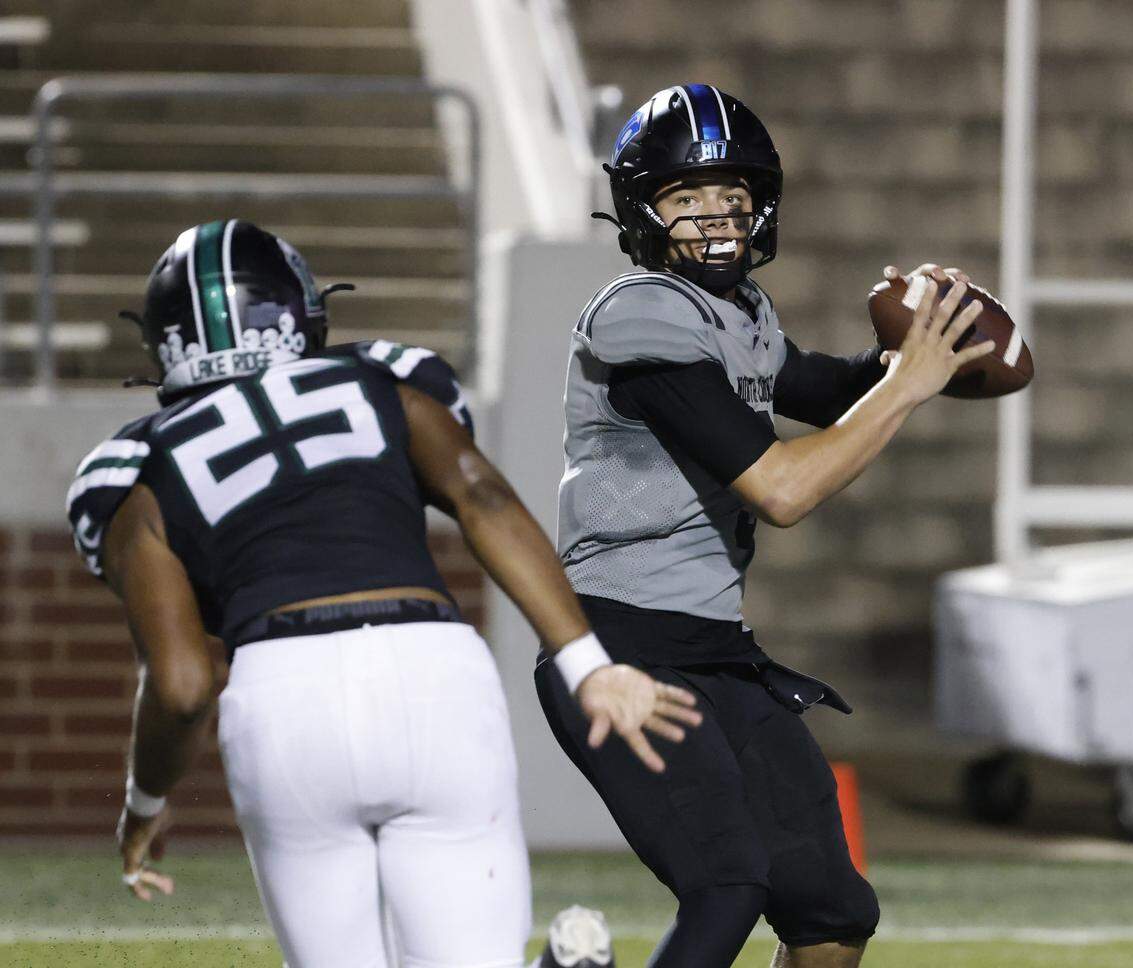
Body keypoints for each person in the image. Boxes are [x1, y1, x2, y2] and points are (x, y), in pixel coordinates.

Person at [65, 220, 701, 968]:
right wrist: (589, 666)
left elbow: (180, 684)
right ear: (297, 307)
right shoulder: (378, 379)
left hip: (283, 695)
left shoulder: (137, 463)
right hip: (431, 669)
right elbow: (483, 498)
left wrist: (144, 805)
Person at [535, 85, 994, 968]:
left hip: (717, 654)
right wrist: (908, 385)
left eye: (732, 198)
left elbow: (824, 389)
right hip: (623, 650)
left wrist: (921, 342)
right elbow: (779, 488)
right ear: (642, 211)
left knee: (829, 913)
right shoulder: (639, 314)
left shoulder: (740, 312)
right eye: (687, 199)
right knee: (728, 882)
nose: (716, 219)